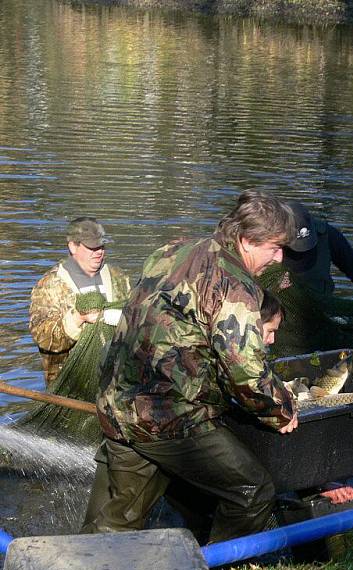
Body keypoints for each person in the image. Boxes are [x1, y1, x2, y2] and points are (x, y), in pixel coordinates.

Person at [82, 190, 299, 543]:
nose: (278, 259)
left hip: (117, 402)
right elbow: (246, 372)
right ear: (246, 240)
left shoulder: (175, 250)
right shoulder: (234, 284)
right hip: (170, 416)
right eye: (274, 247)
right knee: (253, 492)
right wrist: (282, 408)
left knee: (110, 527)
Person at [29, 217, 130, 386]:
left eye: (102, 246)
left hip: (114, 381)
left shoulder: (118, 278)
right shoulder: (49, 286)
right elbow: (43, 339)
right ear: (72, 246)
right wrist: (77, 319)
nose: (99, 252)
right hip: (69, 384)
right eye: (92, 247)